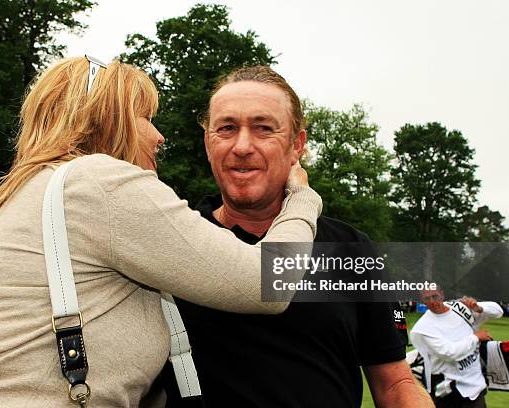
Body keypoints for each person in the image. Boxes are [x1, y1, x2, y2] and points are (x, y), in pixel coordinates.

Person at [0, 56, 322, 407]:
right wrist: (302, 197)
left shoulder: (26, 194)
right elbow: (266, 281)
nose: (159, 136)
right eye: (146, 118)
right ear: (108, 118)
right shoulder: (101, 182)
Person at [162, 65, 432, 408]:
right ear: (207, 142)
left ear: (297, 145)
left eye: (263, 129)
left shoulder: (351, 249)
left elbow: (395, 383)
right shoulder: (171, 240)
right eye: (227, 128)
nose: (242, 146)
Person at [411, 288, 503, 407]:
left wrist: (478, 307)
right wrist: (476, 338)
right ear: (422, 301)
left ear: (442, 295)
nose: (433, 302)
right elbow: (449, 353)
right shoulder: (424, 328)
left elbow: (498, 311)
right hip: (448, 390)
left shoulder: (459, 308)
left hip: (474, 384)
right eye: (427, 299)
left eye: (435, 296)